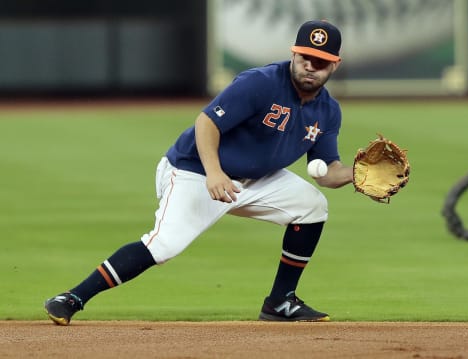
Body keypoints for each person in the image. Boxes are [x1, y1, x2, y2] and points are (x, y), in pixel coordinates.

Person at [44, 19, 353, 325]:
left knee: (312, 207)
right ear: (294, 54)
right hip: (195, 169)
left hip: (256, 180)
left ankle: (280, 301)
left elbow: (325, 171)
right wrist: (214, 172)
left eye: (321, 62)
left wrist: (356, 174)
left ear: (334, 65)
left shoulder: (328, 111)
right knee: (165, 245)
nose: (311, 66)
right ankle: (72, 298)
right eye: (305, 57)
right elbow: (207, 123)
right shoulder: (260, 82)